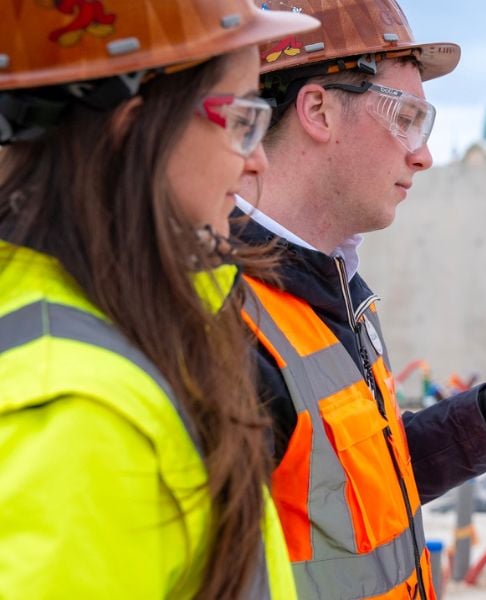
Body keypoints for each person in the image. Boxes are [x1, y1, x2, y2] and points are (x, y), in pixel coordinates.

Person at [235, 1, 486, 598]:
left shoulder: (332, 286)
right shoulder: (229, 320)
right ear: (319, 109)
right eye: (405, 118)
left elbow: (344, 486)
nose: (423, 154)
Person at [0, 1, 319, 597]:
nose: (258, 159)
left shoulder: (118, 326)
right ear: (132, 130)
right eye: (242, 119)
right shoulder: (82, 415)